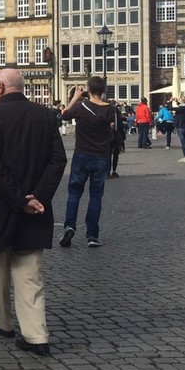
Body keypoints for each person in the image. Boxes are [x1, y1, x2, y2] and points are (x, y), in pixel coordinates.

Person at [0, 69, 67, 356]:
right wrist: (38, 196)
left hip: (0, 204)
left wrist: (18, 199)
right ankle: (36, 335)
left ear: (2, 87)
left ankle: (3, 322)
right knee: (30, 273)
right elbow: (58, 159)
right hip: (36, 208)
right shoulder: (45, 116)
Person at [59, 77, 114, 248]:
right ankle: (92, 235)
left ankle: (69, 226)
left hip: (81, 155)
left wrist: (75, 97)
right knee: (96, 196)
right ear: (103, 90)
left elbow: (64, 115)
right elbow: (112, 128)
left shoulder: (81, 107)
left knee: (74, 193)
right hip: (100, 157)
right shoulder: (110, 109)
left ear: (88, 89)